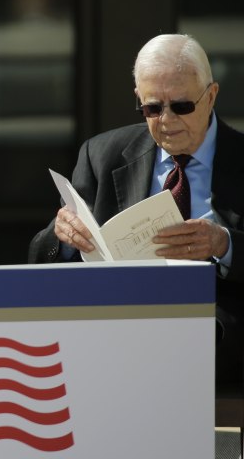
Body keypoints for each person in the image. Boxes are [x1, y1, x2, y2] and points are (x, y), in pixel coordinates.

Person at [28, 34, 243, 388]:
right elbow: (40, 260)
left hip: (215, 323)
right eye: (153, 108)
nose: (167, 120)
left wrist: (224, 245)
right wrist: (62, 234)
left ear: (212, 96)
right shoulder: (102, 154)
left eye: (182, 106)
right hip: (119, 317)